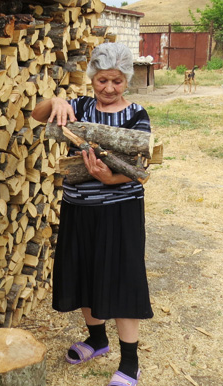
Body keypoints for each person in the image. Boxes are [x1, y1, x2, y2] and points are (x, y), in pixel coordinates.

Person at [31, 43, 153, 386]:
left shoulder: (136, 116)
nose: (109, 88)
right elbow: (38, 115)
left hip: (120, 211)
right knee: (86, 274)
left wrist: (107, 177)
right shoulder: (79, 107)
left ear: (126, 78)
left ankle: (130, 362)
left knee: (124, 280)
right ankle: (97, 340)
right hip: (78, 207)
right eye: (102, 81)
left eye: (116, 81)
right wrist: (55, 101)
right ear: (92, 79)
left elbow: (138, 170)